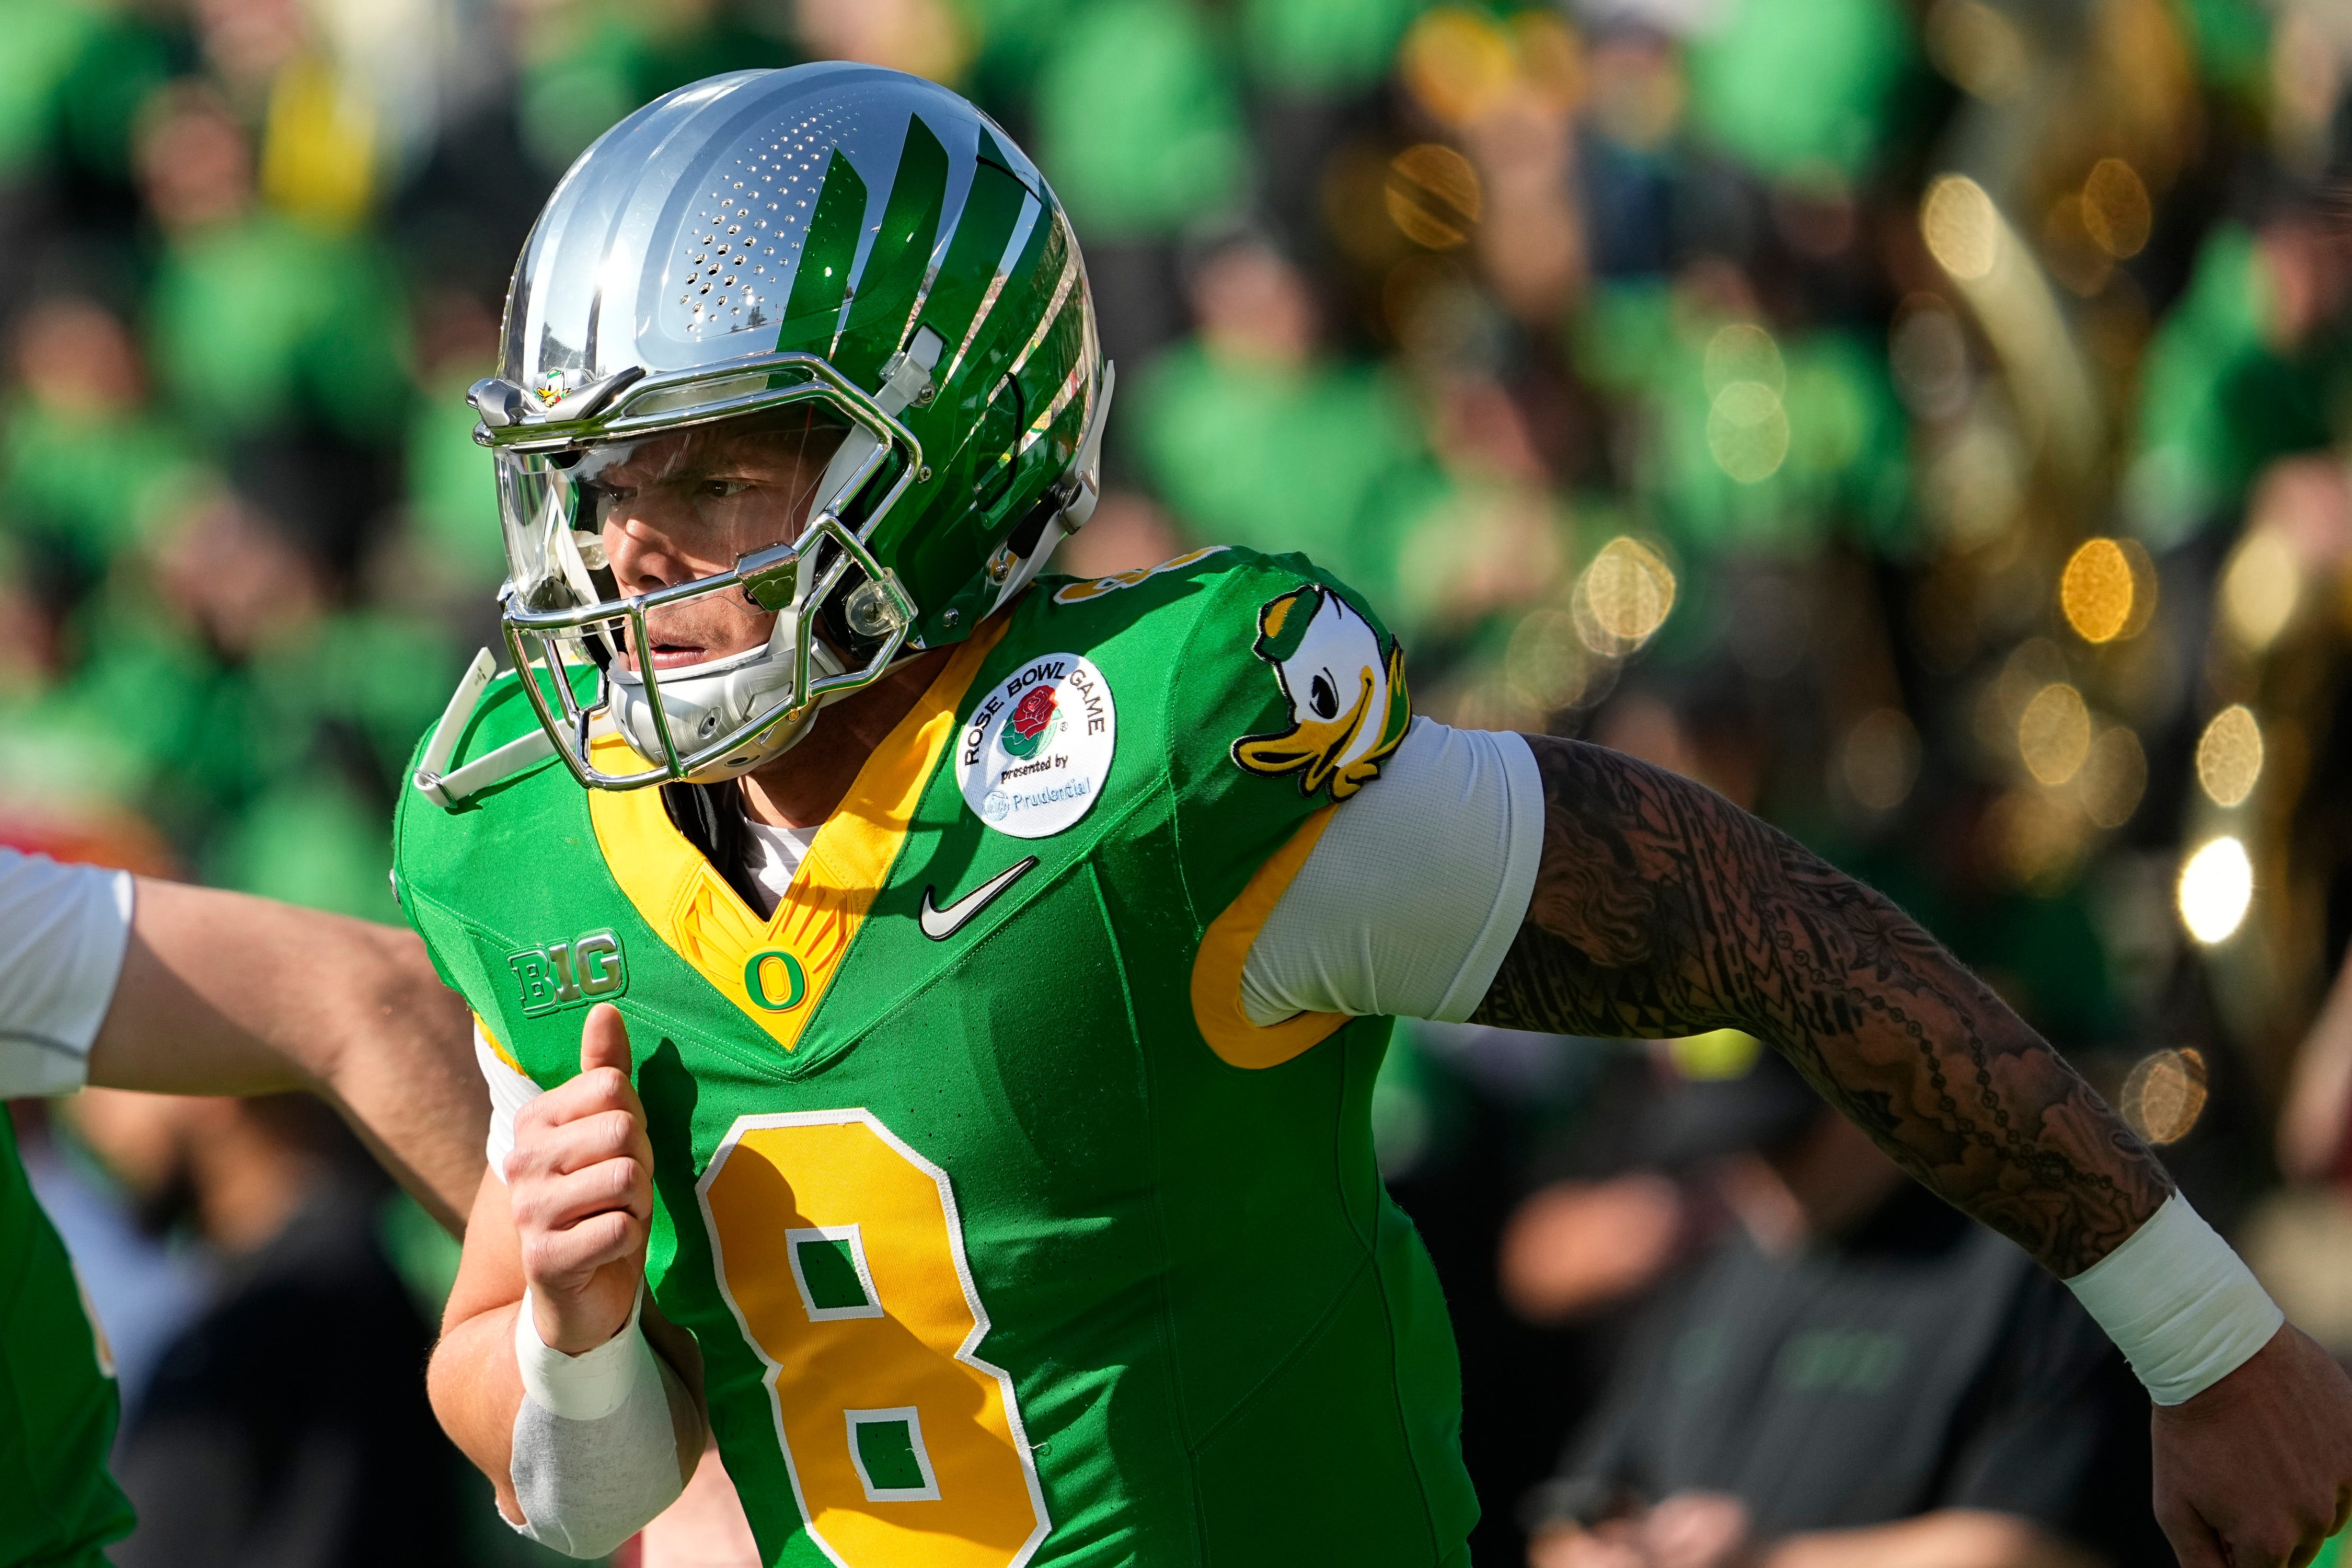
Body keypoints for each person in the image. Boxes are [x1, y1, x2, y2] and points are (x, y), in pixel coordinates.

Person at [410, 63, 2352, 1568]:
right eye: (591, 479)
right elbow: (573, 1472)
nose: (624, 548)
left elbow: (1757, 919)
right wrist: (582, 1336)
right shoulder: (535, 845)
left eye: (711, 471)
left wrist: (2203, 1329)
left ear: (936, 451)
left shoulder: (1160, 765)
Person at [0, 850, 483, 1564]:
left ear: (210, 1074)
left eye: (102, 1074)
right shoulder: (252, 1295)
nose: (86, 1124)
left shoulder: (323, 1295)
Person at [1522, 1053, 2165, 1567]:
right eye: (1735, 1144)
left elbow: (2042, 1547)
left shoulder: (2026, 1263)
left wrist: (1769, 1561)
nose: (1763, 1172)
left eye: (1786, 1137)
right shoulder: (1727, 1260)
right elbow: (1577, 1504)